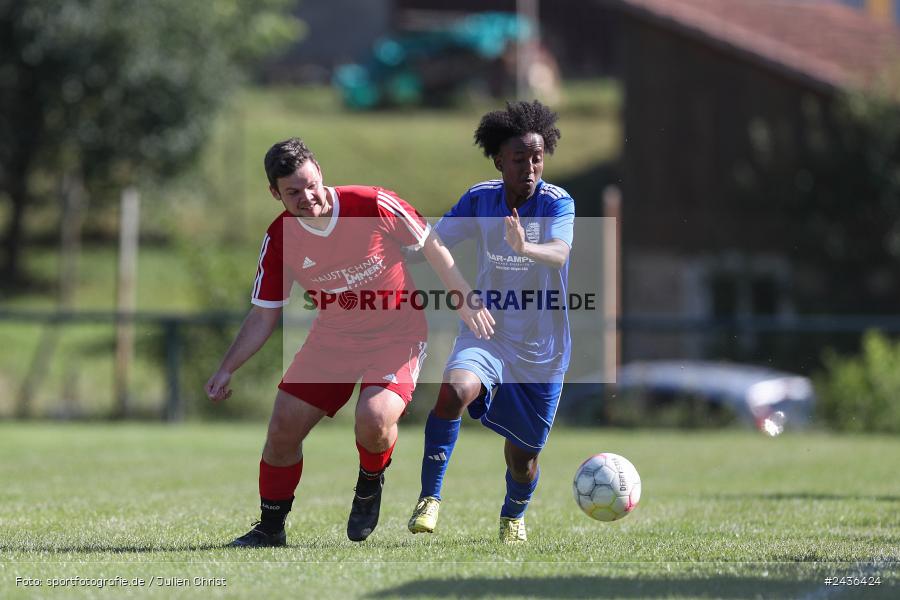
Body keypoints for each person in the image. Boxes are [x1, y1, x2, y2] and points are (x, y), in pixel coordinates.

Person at [206, 138, 493, 547]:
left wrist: (464, 300)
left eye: (310, 184)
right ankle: (270, 529)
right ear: (275, 194)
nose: (307, 197)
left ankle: (369, 482)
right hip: (333, 340)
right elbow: (264, 313)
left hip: (398, 335)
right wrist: (227, 366)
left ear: (319, 171)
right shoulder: (281, 237)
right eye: (292, 192)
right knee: (283, 428)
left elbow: (432, 245)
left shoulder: (373, 203)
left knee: (374, 419)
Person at [407, 100, 575, 543]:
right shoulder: (481, 198)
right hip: (488, 331)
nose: (531, 167)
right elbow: (434, 243)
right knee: (453, 390)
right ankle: (430, 498)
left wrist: (525, 249)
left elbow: (560, 252)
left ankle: (512, 515)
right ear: (500, 160)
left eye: (537, 157)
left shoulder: (558, 202)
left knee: (524, 459)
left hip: (542, 349)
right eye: (520, 159)